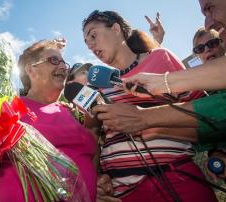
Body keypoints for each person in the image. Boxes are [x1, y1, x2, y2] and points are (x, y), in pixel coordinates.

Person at [82, 10, 217, 201]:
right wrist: (96, 177)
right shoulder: (96, 83)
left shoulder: (160, 57)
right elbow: (92, 135)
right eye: (87, 43)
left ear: (116, 29)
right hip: (123, 192)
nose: (91, 45)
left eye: (93, 35)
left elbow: (206, 114)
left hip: (176, 177)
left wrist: (147, 121)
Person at [0, 39, 98, 202]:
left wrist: (99, 183)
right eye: (54, 60)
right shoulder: (7, 109)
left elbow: (90, 157)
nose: (63, 67)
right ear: (30, 69)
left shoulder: (73, 112)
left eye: (64, 63)